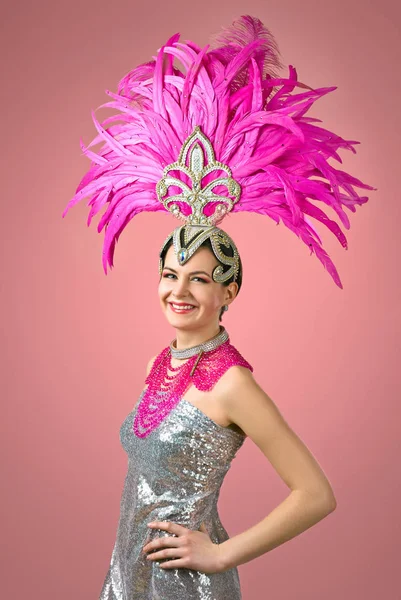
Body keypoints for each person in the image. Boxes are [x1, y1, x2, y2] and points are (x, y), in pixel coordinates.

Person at [62, 14, 375, 600]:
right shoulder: (168, 360)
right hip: (130, 578)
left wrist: (220, 553)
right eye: (169, 274)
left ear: (228, 292)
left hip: (185, 587)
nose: (179, 291)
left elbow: (316, 493)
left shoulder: (230, 382)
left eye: (200, 280)